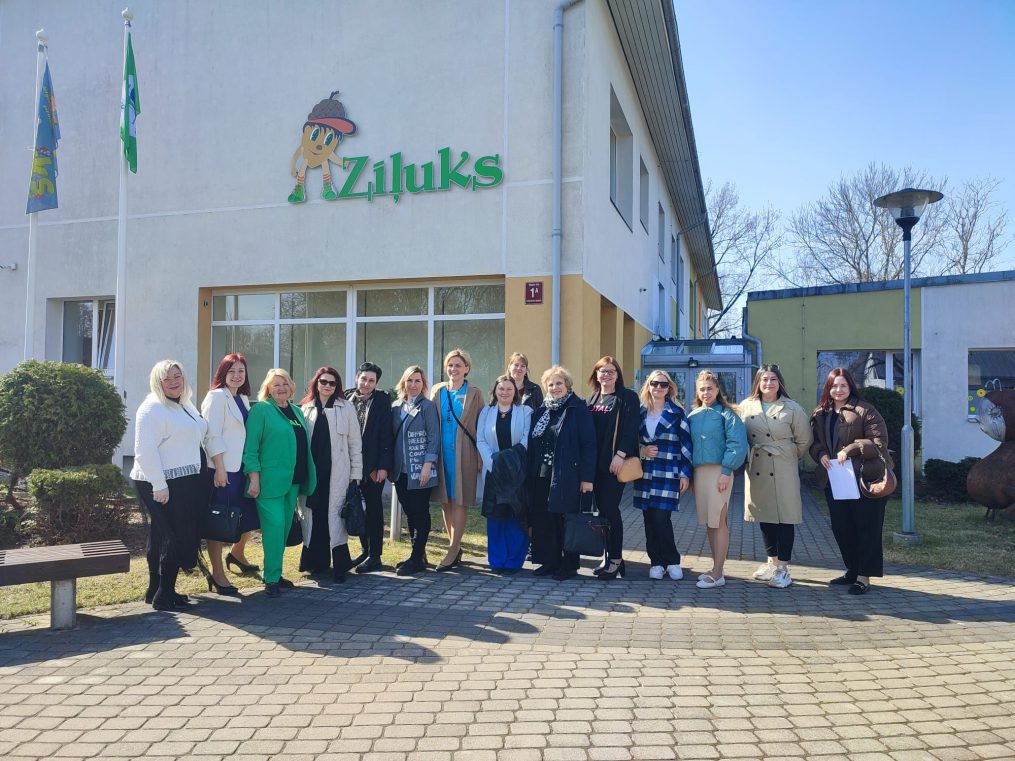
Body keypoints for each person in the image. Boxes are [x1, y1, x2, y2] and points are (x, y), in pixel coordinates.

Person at [130, 360, 208, 611]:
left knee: (161, 534)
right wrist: (159, 485)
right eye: (167, 379)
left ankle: (156, 589)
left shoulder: (184, 404)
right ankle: (165, 595)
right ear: (157, 382)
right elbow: (144, 451)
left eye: (178, 376)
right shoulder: (152, 408)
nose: (174, 382)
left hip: (184, 478)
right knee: (173, 535)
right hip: (161, 481)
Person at [810, 367, 892, 596]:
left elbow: (879, 442)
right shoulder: (820, 413)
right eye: (834, 386)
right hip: (835, 480)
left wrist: (852, 448)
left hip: (865, 479)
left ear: (850, 387)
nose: (838, 390)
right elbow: (814, 443)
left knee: (866, 528)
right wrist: (820, 454)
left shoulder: (865, 410)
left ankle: (864, 577)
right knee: (842, 528)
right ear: (828, 388)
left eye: (843, 385)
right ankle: (852, 570)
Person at [242, 368, 317, 598]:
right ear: (268, 389)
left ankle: (275, 572)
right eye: (276, 385)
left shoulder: (297, 411)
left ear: (291, 387)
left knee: (283, 530)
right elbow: (251, 448)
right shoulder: (261, 410)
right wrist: (254, 478)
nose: (281, 388)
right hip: (268, 482)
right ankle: (271, 580)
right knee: (274, 528)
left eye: (285, 384)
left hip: (293, 481)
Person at [738, 364, 812, 589]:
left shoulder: (792, 408)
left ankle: (783, 569)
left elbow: (804, 440)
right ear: (757, 383)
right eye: (764, 379)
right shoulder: (746, 405)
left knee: (785, 517)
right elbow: (739, 435)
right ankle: (772, 562)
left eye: (773, 379)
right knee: (766, 515)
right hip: (758, 465)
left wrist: (787, 455)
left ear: (779, 382)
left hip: (783, 466)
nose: (768, 383)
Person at [527, 366, 596, 581]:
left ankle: (568, 565)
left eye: (559, 383)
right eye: (551, 384)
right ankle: (550, 561)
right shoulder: (542, 410)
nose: (555, 387)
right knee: (545, 519)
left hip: (567, 474)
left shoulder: (577, 408)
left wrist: (587, 478)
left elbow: (589, 444)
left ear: (567, 385)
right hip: (542, 474)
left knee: (565, 519)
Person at [200, 353, 259, 595]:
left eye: (241, 371)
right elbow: (211, 435)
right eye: (231, 371)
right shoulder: (216, 397)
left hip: (242, 469)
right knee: (220, 520)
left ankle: (237, 554)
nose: (236, 376)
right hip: (223, 471)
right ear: (222, 374)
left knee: (248, 517)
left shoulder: (242, 398)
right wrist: (220, 468)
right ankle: (217, 573)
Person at [299, 367, 363, 582]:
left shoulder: (346, 408)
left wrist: (356, 473)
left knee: (335, 517)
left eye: (332, 383)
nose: (327, 386)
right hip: (312, 475)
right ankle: (315, 563)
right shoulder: (306, 409)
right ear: (316, 383)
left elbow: (355, 443)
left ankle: (340, 565)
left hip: (338, 475)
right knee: (314, 515)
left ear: (337, 386)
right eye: (323, 382)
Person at [687, 369, 748, 590]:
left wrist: (726, 471)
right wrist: (689, 477)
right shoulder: (692, 416)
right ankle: (715, 567)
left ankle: (719, 573)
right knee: (709, 522)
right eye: (702, 389)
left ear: (717, 389)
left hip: (719, 472)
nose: (706, 392)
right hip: (699, 473)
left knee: (719, 521)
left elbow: (737, 444)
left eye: (709, 388)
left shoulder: (727, 414)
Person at [585, 356, 641, 580]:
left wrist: (620, 455)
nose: (606, 375)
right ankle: (609, 556)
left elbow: (631, 429)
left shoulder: (627, 397)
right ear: (596, 375)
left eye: (611, 371)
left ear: (617, 375)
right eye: (602, 371)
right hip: (594, 465)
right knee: (601, 512)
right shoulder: (592, 398)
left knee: (610, 510)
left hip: (613, 465)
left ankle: (615, 559)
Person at [634, 370, 692, 581]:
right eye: (654, 383)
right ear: (648, 386)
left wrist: (685, 474)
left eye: (663, 384)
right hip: (645, 474)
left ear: (669, 389)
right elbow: (630, 441)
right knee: (649, 518)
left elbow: (687, 445)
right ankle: (656, 562)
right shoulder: (639, 413)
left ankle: (672, 560)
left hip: (668, 472)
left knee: (661, 518)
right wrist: (642, 451)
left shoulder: (677, 413)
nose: (658, 387)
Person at [430, 348, 484, 571]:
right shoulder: (438, 391)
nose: (454, 369)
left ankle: (452, 549)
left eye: (458, 365)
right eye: (450, 365)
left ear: (467, 368)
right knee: (446, 499)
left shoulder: (475, 393)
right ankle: (455, 545)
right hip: (442, 454)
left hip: (465, 454)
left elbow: (481, 426)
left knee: (460, 499)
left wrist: (480, 457)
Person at [477, 374, 533, 574]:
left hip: (517, 473)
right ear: (495, 391)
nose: (505, 392)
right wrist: (494, 463)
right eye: (501, 388)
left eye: (509, 388)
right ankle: (497, 560)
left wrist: (509, 462)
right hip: (493, 472)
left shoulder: (525, 412)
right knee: (496, 518)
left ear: (515, 391)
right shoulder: (486, 411)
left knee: (515, 517)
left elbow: (527, 439)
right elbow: (480, 439)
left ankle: (513, 562)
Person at [390, 365, 440, 576]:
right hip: (400, 471)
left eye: (417, 381)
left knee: (420, 512)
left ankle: (416, 557)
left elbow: (433, 436)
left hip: (420, 469)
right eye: (409, 380)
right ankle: (417, 554)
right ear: (403, 383)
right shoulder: (395, 407)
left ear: (423, 384)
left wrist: (428, 464)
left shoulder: (427, 406)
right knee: (410, 512)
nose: (413, 385)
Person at [345, 362, 394, 573]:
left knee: (373, 510)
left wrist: (383, 466)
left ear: (376, 383)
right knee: (356, 507)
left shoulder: (382, 400)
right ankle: (364, 550)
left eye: (371, 380)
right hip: (348, 463)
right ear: (357, 378)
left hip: (372, 466)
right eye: (363, 378)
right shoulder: (346, 397)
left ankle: (375, 556)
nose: (366, 383)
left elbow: (386, 435)